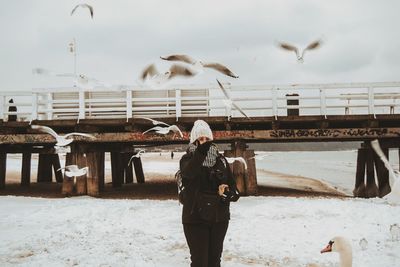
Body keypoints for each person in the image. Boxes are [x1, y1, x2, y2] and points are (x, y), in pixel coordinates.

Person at [179, 119, 240, 267]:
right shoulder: (187, 160)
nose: (204, 142)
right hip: (195, 219)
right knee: (200, 262)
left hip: (219, 219)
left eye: (207, 139)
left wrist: (226, 193)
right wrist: (201, 152)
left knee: (214, 262)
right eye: (200, 139)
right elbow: (188, 174)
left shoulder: (221, 160)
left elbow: (235, 191)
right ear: (194, 141)